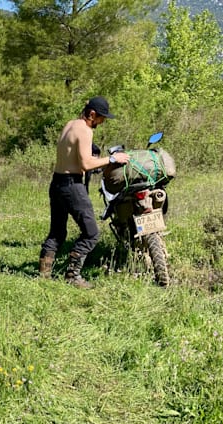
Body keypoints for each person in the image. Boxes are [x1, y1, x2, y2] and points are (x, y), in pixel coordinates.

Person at [39, 96, 129, 288]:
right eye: (101, 118)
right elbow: (86, 164)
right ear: (92, 114)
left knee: (57, 232)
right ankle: (73, 275)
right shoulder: (85, 130)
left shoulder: (69, 125)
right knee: (91, 233)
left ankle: (44, 275)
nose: (102, 122)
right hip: (72, 185)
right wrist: (113, 159)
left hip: (57, 183)